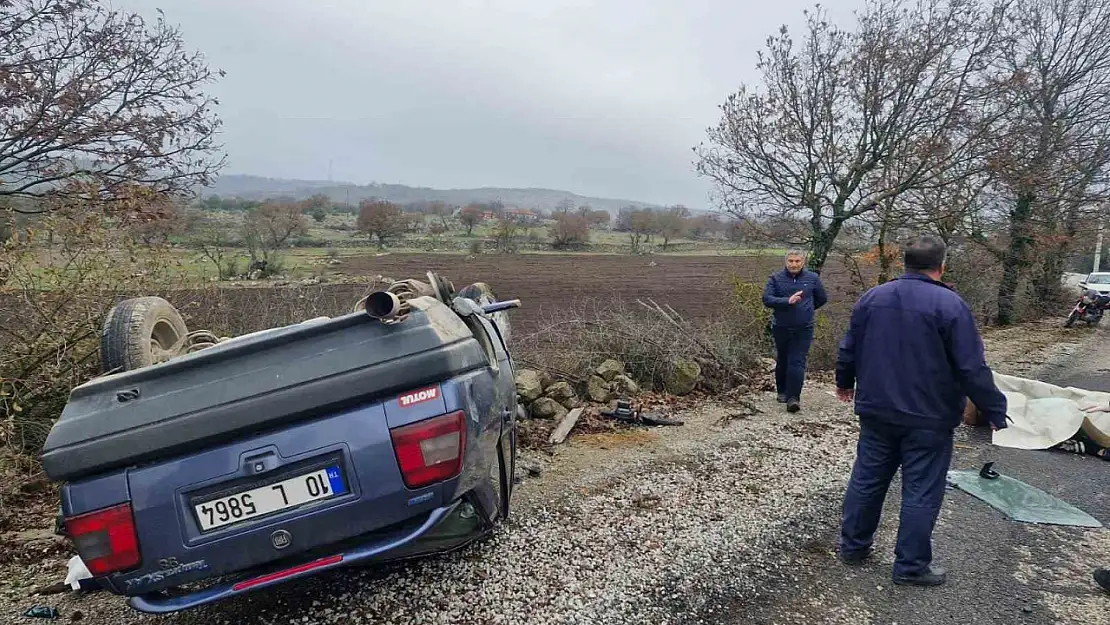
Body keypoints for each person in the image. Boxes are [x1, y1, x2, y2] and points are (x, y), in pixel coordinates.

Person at [834, 234, 1008, 587]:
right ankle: (910, 566)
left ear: (905, 263)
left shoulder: (873, 297)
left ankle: (853, 547)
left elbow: (849, 346)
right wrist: (994, 409)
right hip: (929, 416)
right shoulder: (950, 305)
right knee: (921, 490)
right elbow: (971, 367)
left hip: (877, 410)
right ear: (941, 264)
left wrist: (844, 382)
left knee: (867, 479)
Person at [762, 250, 828, 413]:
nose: (794, 264)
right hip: (781, 326)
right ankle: (782, 392)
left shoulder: (812, 278)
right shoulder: (775, 278)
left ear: (803, 262)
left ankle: (793, 398)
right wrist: (787, 301)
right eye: (791, 261)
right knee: (783, 359)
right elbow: (767, 299)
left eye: (797, 261)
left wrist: (807, 310)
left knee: (797, 361)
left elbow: (822, 298)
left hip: (804, 328)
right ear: (786, 262)